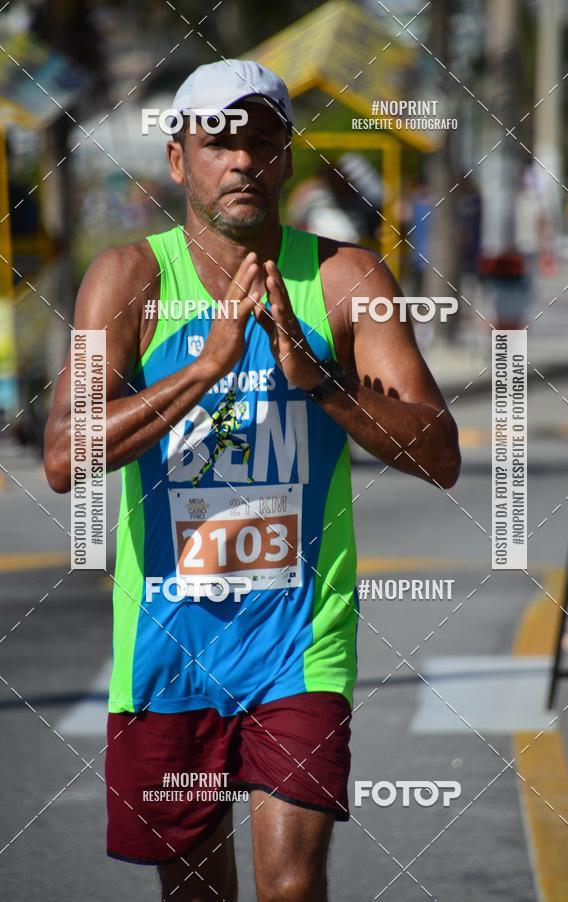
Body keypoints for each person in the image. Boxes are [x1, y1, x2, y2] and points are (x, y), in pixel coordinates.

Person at [43, 59, 460, 902]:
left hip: (299, 646)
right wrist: (203, 369)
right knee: (195, 892)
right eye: (219, 143)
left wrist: (322, 382)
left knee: (290, 888)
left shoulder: (347, 280)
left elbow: (440, 453)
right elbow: (63, 455)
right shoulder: (127, 281)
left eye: (262, 143)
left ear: (287, 161)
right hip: (167, 651)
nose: (242, 162)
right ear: (177, 159)